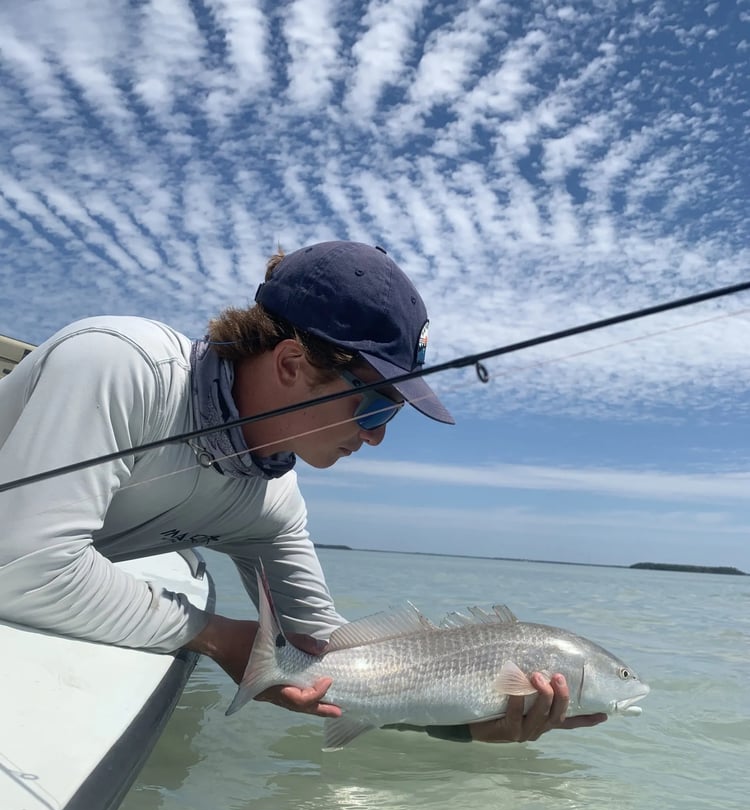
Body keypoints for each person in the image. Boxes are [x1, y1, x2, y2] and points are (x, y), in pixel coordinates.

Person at [0, 240, 605, 744]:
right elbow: (25, 567)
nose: (375, 439)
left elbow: (328, 652)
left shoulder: (273, 501)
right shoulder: (120, 368)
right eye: (374, 405)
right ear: (291, 362)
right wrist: (212, 635)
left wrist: (465, 723)